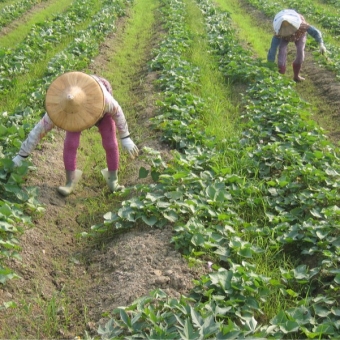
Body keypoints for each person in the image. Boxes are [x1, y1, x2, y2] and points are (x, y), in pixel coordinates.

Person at [12, 71, 139, 196]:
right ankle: (70, 181)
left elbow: (118, 112)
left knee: (110, 142)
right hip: (73, 115)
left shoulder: (104, 100)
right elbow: (38, 131)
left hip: (100, 110)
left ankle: (113, 180)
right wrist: (21, 155)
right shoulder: (59, 108)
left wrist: (125, 136)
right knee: (70, 143)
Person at [267, 9, 326, 82]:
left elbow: (316, 32)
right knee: (282, 52)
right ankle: (281, 76)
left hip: (299, 35)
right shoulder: (279, 32)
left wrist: (321, 44)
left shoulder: (302, 25)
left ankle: (296, 76)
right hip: (284, 38)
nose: (289, 32)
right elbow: (272, 50)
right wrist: (270, 66)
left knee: (300, 52)